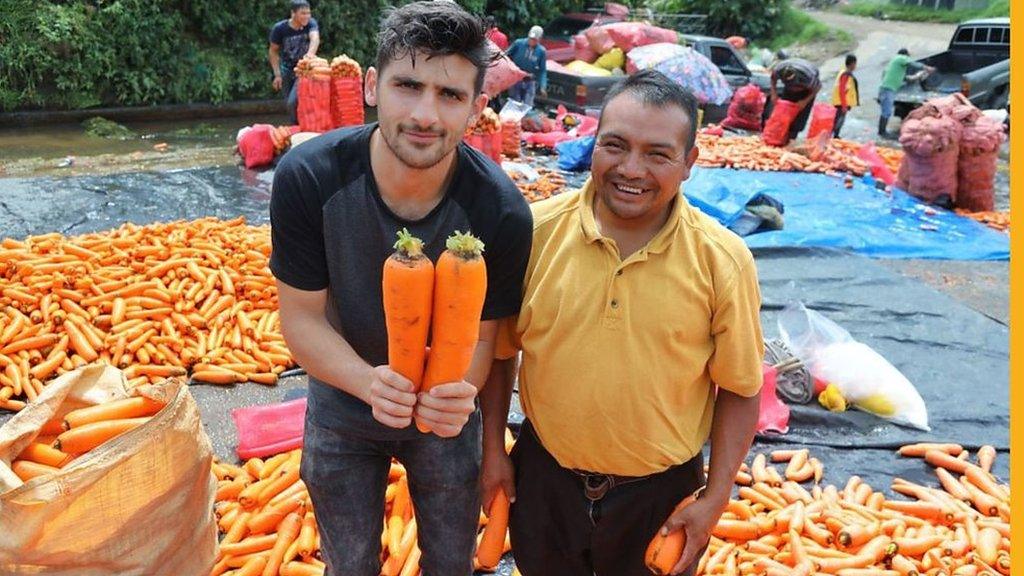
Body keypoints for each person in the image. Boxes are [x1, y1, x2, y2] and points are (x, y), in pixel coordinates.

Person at [269, 2, 533, 574]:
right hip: (343, 396)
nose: (424, 114)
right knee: (350, 562)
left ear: (478, 109)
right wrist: (368, 383)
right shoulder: (308, 178)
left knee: (449, 561)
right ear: (371, 85)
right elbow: (302, 320)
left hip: (445, 416)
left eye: (450, 95)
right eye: (407, 85)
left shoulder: (501, 211)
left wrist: (454, 390)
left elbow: (484, 339)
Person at [480, 69, 764, 576]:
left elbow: (741, 389)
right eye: (615, 145)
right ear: (593, 144)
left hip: (661, 496)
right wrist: (492, 452)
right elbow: (500, 354)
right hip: (543, 480)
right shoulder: (535, 232)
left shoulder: (723, 259)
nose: (631, 169)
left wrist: (717, 496)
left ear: (690, 163)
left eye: (658, 154)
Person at [269, 0, 320, 123]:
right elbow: (273, 51)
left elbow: (315, 38)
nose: (306, 16)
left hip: (304, 70)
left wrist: (310, 54)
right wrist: (277, 74)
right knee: (289, 104)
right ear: (293, 13)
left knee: (293, 102)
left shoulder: (310, 24)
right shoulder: (280, 29)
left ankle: (302, 128)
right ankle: (296, 128)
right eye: (303, 13)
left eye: (308, 13)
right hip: (287, 69)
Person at [878, 48, 935, 139]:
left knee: (886, 111)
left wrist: (919, 75)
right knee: (887, 111)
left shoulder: (895, 66)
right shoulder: (900, 58)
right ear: (905, 55)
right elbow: (913, 63)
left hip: (887, 89)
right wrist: (926, 68)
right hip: (887, 89)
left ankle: (882, 131)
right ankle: (882, 132)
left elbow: (908, 79)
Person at [765, 57, 821, 143]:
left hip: (806, 92)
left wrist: (805, 101)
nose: (794, 89)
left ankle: (791, 139)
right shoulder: (779, 70)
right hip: (788, 91)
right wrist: (774, 94)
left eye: (795, 86)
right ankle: (777, 138)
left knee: (799, 119)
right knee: (783, 115)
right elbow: (773, 79)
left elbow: (817, 88)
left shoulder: (808, 77)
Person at [506, 26, 548, 107]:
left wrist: (543, 86)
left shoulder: (541, 51)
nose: (532, 41)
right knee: (514, 104)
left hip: (530, 80)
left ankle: (525, 118)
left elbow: (542, 70)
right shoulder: (518, 43)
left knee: (527, 106)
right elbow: (506, 55)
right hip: (516, 78)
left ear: (539, 40)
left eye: (534, 40)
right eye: (530, 39)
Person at [831, 54, 859, 138]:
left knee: (838, 120)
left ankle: (834, 136)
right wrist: (844, 105)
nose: (855, 66)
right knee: (838, 120)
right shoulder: (845, 74)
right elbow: (842, 90)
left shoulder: (844, 72)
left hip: (840, 102)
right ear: (852, 63)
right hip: (841, 103)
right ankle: (834, 137)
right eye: (855, 64)